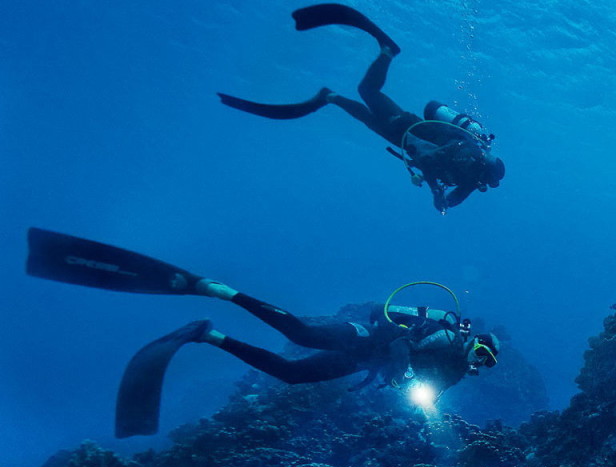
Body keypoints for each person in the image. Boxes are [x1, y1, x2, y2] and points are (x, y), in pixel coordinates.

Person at [25, 228, 500, 437]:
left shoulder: (458, 373)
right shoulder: (449, 339)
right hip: (365, 338)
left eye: (488, 362)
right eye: (483, 351)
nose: (481, 359)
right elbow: (401, 343)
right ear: (476, 340)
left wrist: (416, 394)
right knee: (300, 330)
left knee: (290, 374)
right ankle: (223, 292)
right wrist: (402, 372)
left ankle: (208, 335)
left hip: (361, 363)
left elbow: (425, 389)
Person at [217, 3, 504, 213]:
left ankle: (328, 97)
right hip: (403, 126)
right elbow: (432, 162)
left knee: (366, 112)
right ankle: (387, 52)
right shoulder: (467, 158)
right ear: (485, 172)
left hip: (401, 133)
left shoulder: (470, 175)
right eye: (485, 181)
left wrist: (444, 201)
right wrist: (434, 192)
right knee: (366, 92)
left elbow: (455, 197)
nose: (481, 184)